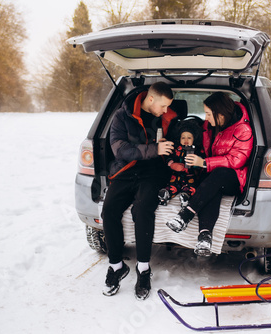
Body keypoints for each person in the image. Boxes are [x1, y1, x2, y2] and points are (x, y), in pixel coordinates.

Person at [101, 82, 177, 300]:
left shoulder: (167, 117)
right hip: (126, 170)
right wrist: (155, 148)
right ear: (150, 99)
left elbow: (181, 137)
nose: (165, 110)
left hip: (153, 172)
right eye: (163, 106)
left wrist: (171, 145)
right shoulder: (121, 116)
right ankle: (116, 266)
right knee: (109, 210)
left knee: (143, 209)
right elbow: (120, 150)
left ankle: (143, 269)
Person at [166, 92, 254, 256]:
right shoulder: (210, 125)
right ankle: (204, 237)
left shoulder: (243, 130)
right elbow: (195, 135)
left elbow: (236, 161)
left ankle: (185, 215)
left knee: (218, 175)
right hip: (214, 175)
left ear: (220, 114)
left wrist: (204, 163)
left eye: (208, 113)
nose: (205, 117)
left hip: (235, 177)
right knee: (211, 186)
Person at [158, 119, 205, 208]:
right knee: (172, 185)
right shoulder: (176, 149)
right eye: (183, 137)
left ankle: (185, 197)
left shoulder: (198, 150)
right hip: (176, 175)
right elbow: (168, 159)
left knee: (192, 187)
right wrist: (172, 165)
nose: (186, 140)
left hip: (191, 177)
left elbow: (202, 164)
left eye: (189, 137)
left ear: (194, 139)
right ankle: (165, 194)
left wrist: (195, 164)